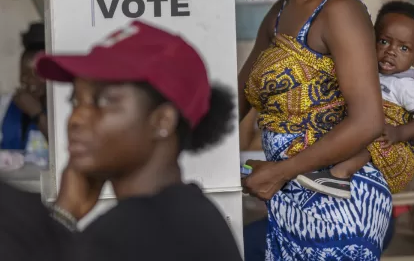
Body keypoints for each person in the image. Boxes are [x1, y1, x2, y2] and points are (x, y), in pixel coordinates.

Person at [235, 0, 395, 260]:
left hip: (339, 200)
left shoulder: (339, 10)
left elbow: (368, 121)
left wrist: (280, 171)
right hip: (289, 198)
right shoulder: (278, 14)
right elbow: (239, 95)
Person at [0, 20, 242, 261]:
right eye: (75, 102)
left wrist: (63, 216)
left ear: (163, 121)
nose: (77, 118)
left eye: (105, 101)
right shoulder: (193, 213)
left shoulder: (123, 237)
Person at [296, 1, 414, 198]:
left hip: (393, 150)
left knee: (369, 130)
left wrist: (399, 133)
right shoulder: (365, 72)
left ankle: (340, 174)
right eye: (384, 41)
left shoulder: (408, 86)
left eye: (404, 48)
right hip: (362, 134)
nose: (391, 51)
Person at [0, 22, 49, 159]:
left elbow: (63, 151)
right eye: (24, 75)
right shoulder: (4, 106)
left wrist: (37, 114)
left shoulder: (62, 109)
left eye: (36, 75)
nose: (29, 82)